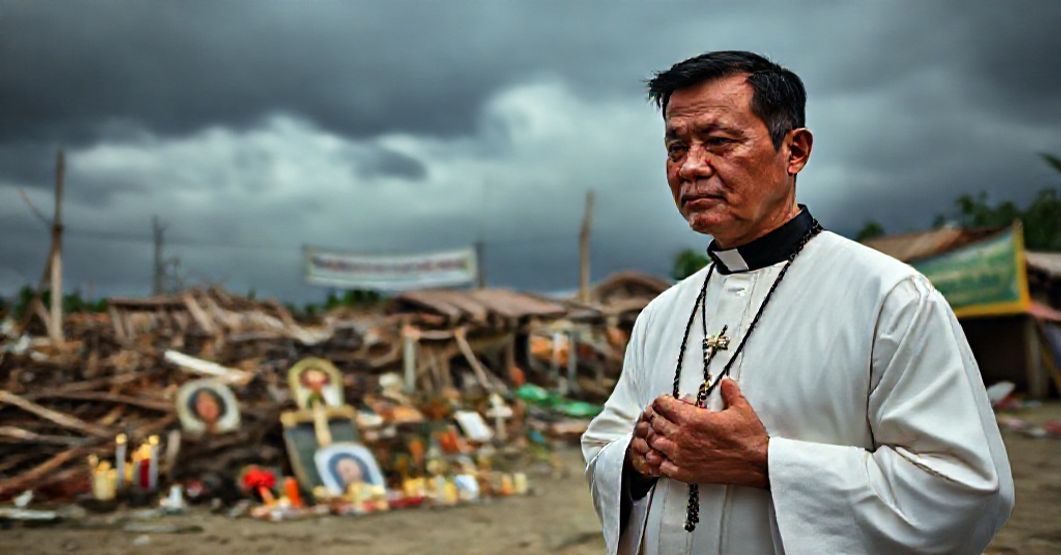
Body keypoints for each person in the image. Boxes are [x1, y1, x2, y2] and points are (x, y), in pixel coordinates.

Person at [581, 51, 1013, 555]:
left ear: (795, 150)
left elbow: (965, 491)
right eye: (677, 147)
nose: (692, 166)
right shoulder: (662, 314)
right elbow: (603, 445)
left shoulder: (889, 299)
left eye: (719, 142)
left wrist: (766, 462)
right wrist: (635, 459)